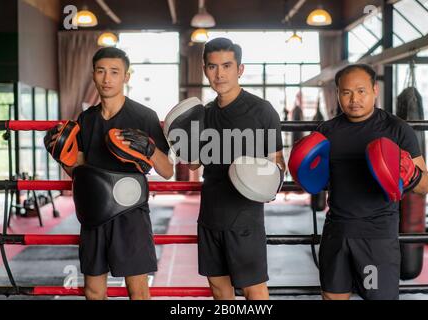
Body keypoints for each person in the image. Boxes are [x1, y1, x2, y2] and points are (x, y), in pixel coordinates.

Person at [45, 47, 173, 300]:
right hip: (94, 212)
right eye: (101, 71)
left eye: (114, 72)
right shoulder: (87, 118)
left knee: (137, 290)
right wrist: (62, 156)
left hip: (130, 214)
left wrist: (150, 149)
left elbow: (167, 171)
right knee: (93, 291)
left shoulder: (144, 116)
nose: (107, 78)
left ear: (126, 77)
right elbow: (77, 170)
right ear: (93, 75)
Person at [316, 64, 428, 300]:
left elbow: (424, 185)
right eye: (346, 92)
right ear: (337, 93)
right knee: (332, 297)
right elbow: (318, 180)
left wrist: (409, 173)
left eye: (361, 91)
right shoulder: (327, 131)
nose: (354, 99)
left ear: (374, 90)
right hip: (336, 233)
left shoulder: (397, 130)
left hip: (375, 239)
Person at [189, 38, 285, 300]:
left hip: (245, 218)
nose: (219, 74)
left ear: (239, 69)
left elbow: (278, 165)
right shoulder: (203, 113)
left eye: (227, 66)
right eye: (212, 66)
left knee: (254, 290)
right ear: (205, 69)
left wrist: (256, 178)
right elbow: (193, 163)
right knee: (219, 289)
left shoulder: (261, 111)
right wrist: (179, 137)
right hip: (209, 215)